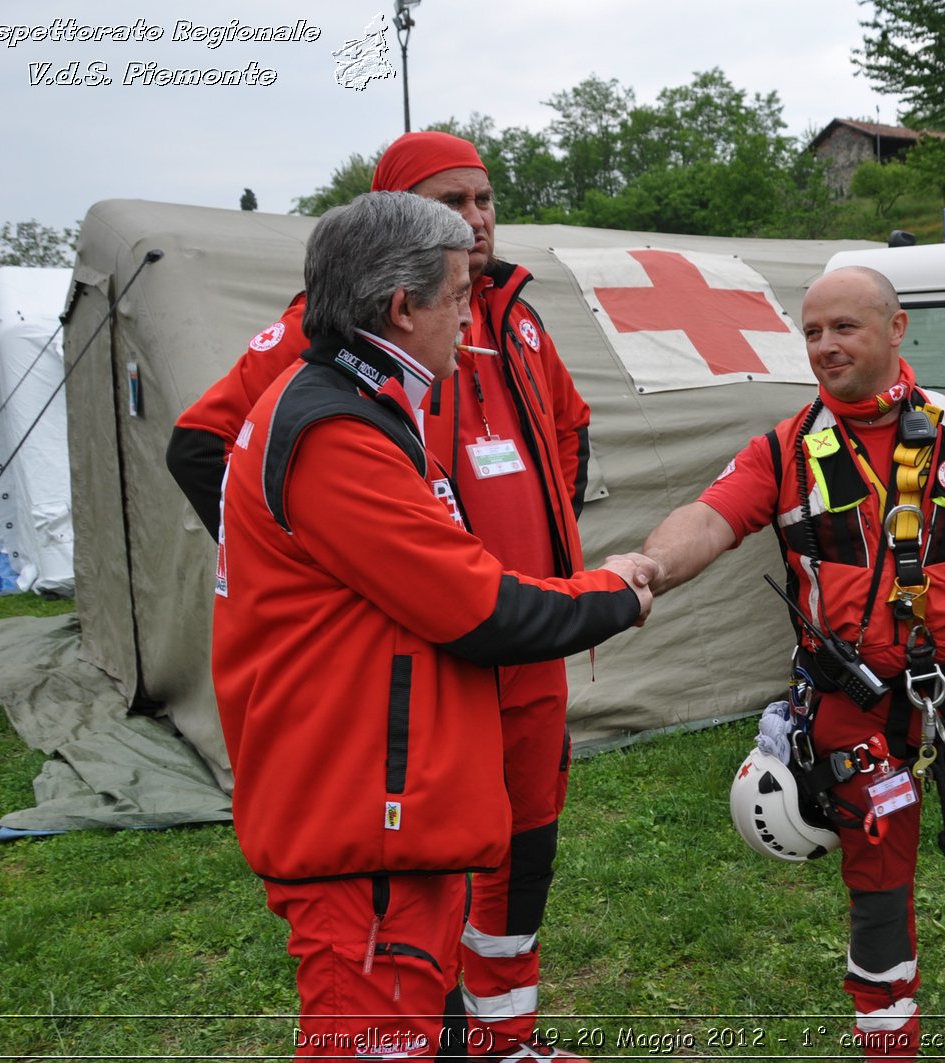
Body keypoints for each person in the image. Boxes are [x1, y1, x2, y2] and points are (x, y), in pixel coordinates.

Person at [167, 131, 596, 1060]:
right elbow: (204, 444)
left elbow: (569, 429)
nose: (477, 221)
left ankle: (504, 1038)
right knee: (399, 887)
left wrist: (555, 567)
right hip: (433, 650)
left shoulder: (516, 315)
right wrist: (320, 580)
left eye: (485, 199)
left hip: (521, 640)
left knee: (512, 849)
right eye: (453, 203)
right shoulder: (339, 334)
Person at [638, 266, 945, 1061]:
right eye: (811, 332)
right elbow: (707, 519)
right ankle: (887, 1044)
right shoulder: (785, 450)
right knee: (876, 882)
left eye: (844, 327)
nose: (824, 346)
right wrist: (647, 568)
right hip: (853, 698)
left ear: (896, 328)